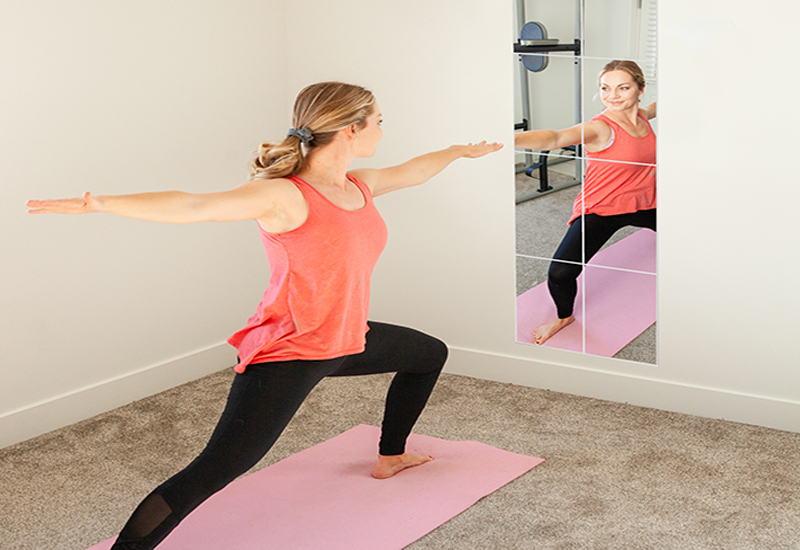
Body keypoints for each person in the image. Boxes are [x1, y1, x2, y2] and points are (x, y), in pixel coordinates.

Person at [26, 81, 502, 550]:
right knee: (216, 468)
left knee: (428, 354)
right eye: (379, 120)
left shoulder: (360, 184)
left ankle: (390, 456)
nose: (383, 128)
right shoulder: (284, 196)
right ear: (352, 129)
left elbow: (415, 171)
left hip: (348, 337)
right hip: (290, 352)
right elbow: (195, 205)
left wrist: (458, 151)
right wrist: (102, 204)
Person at [514, 60, 657, 346]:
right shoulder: (599, 128)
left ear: (640, 89)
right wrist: (509, 139)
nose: (612, 96)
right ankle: (564, 317)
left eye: (622, 88)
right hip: (603, 209)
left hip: (646, 201)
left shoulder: (642, 116)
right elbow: (555, 137)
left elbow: (657, 107)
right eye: (605, 88)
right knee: (561, 272)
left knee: (691, 231)